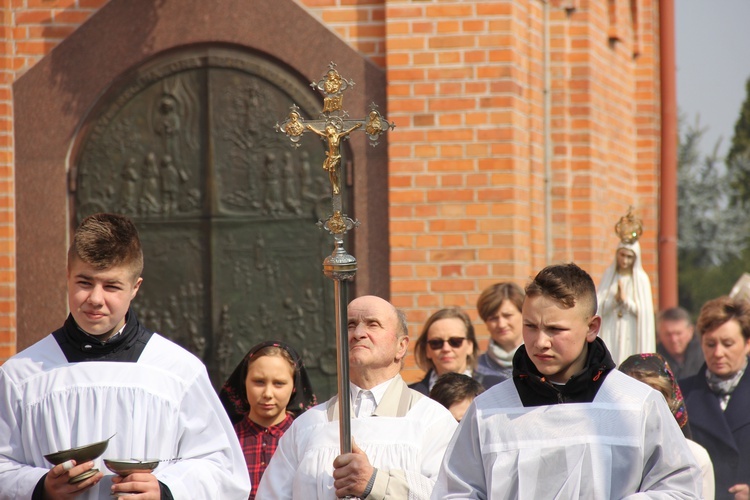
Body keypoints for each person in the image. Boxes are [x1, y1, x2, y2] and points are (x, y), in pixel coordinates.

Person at [0, 213, 251, 499]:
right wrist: (40, 487)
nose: (95, 298)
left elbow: (222, 468)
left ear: (135, 287)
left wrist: (166, 489)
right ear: (67, 277)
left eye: (111, 286)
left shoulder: (178, 372)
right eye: (84, 282)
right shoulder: (21, 375)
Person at [432, 263, 701, 499]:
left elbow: (680, 489)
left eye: (555, 329)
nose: (540, 342)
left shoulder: (636, 404)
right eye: (531, 326)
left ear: (592, 327)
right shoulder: (488, 410)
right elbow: (455, 491)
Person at [256, 295, 458, 499]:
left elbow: (452, 494)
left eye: (373, 324)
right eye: (350, 325)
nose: (358, 333)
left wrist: (375, 482)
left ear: (401, 346)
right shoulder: (307, 426)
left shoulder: (432, 421)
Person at [220, 340, 317, 500]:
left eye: (279, 383)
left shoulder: (307, 441)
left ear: (294, 386)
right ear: (244, 382)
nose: (267, 393)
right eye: (259, 382)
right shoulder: (224, 439)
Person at [681, 296, 750, 500]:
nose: (718, 353)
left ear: (747, 343)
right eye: (710, 344)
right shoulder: (681, 395)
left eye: (727, 343)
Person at [620, 353, 716, 499]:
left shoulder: (694, 456)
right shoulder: (604, 449)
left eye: (656, 400)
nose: (645, 408)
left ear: (670, 403)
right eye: (634, 398)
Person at [597, 237, 656, 366]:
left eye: (629, 257)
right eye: (622, 255)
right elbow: (598, 308)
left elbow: (644, 313)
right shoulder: (609, 275)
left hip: (630, 330)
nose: (625, 260)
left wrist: (625, 301)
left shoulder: (641, 279)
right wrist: (614, 300)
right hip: (611, 328)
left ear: (635, 258)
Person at [409, 307, 478, 395]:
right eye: (436, 343)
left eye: (455, 341)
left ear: (470, 346)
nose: (446, 349)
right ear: (427, 350)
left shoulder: (492, 389)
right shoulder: (409, 397)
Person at [474, 282, 525, 388]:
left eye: (507, 315)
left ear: (524, 315)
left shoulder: (541, 362)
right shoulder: (475, 369)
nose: (501, 324)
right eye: (493, 318)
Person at [657, 307, 705, 381]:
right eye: (668, 334)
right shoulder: (654, 360)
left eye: (678, 333)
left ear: (690, 331)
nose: (674, 339)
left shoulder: (705, 355)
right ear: (660, 334)